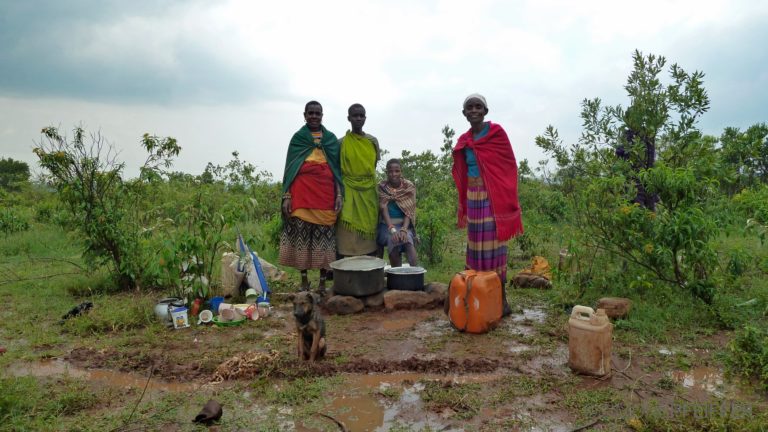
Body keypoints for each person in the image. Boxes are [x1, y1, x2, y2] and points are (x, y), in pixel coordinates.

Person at [451, 93, 523, 315]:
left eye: (478, 107)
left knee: (494, 248)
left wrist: (504, 192)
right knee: (475, 245)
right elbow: (461, 168)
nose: (474, 111)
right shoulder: (464, 140)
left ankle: (502, 300)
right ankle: (477, 296)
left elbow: (509, 165)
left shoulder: (496, 134)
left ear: (485, 111)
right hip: (473, 196)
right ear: (464, 114)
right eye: (469, 108)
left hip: (493, 198)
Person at [279, 101, 343, 292]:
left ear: (322, 115)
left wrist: (339, 194)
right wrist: (287, 195)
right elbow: (290, 169)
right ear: (304, 115)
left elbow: (337, 171)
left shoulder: (331, 140)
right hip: (301, 195)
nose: (314, 116)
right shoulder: (298, 139)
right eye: (311, 113)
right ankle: (304, 281)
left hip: (325, 196)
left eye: (318, 113)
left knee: (325, 241)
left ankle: (323, 283)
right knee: (302, 238)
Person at [336, 103, 381, 257]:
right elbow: (337, 170)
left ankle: (369, 266)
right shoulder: (341, 143)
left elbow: (372, 165)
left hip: (368, 190)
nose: (358, 118)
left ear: (365, 118)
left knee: (368, 232)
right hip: (347, 188)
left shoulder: (372, 141)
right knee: (347, 229)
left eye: (361, 115)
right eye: (355, 115)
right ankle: (345, 265)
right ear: (349, 118)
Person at [377, 158, 418, 267]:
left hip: (404, 224)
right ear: (386, 173)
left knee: (408, 241)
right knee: (393, 240)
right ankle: (396, 276)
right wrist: (392, 229)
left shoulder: (408, 187)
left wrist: (404, 230)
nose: (393, 174)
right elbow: (383, 208)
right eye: (390, 171)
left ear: (401, 172)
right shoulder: (382, 187)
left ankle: (416, 275)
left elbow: (409, 210)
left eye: (397, 171)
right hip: (386, 225)